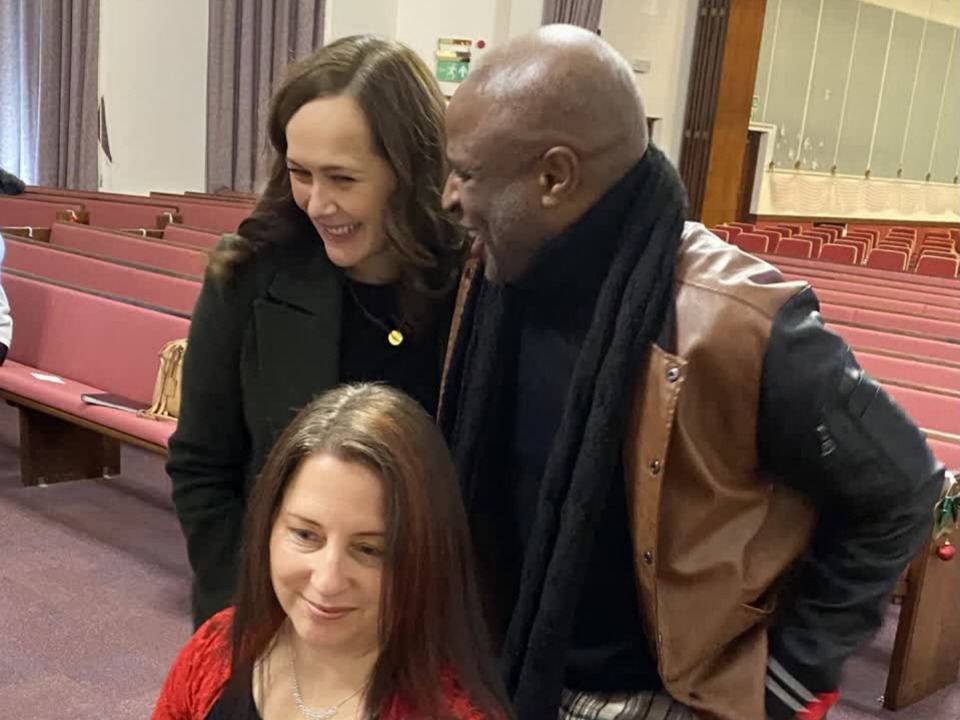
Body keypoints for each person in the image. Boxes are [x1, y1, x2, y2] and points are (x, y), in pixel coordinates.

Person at [437, 25, 944, 720]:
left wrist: (786, 677)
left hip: (654, 699)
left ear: (554, 178)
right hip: (505, 664)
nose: (448, 198)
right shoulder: (496, 274)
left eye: (466, 174)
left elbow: (903, 489)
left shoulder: (739, 319)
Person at [167, 35, 464, 628]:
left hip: (431, 625)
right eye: (301, 173)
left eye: (343, 179)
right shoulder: (247, 276)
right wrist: (242, 614)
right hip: (277, 614)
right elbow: (202, 467)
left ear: (410, 174)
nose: (317, 203)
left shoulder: (474, 285)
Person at [153, 383, 511, 720]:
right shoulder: (219, 646)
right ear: (269, 524)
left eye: (369, 549)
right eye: (306, 534)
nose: (327, 580)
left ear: (424, 556)